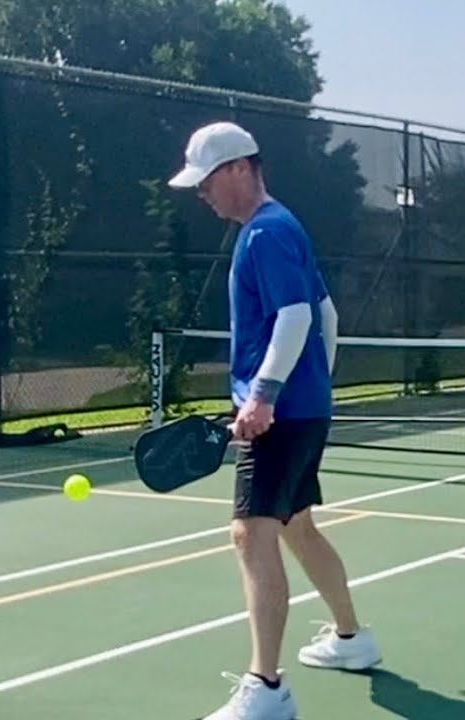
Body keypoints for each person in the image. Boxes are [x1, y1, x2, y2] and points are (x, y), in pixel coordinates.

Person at [168, 121, 382, 720]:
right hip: (303, 409)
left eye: (206, 182)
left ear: (239, 168)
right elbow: (328, 316)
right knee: (298, 528)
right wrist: (313, 388)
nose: (202, 195)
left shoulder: (265, 234)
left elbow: (295, 318)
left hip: (280, 415)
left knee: (251, 534)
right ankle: (351, 639)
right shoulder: (284, 226)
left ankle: (265, 689)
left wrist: (263, 398)